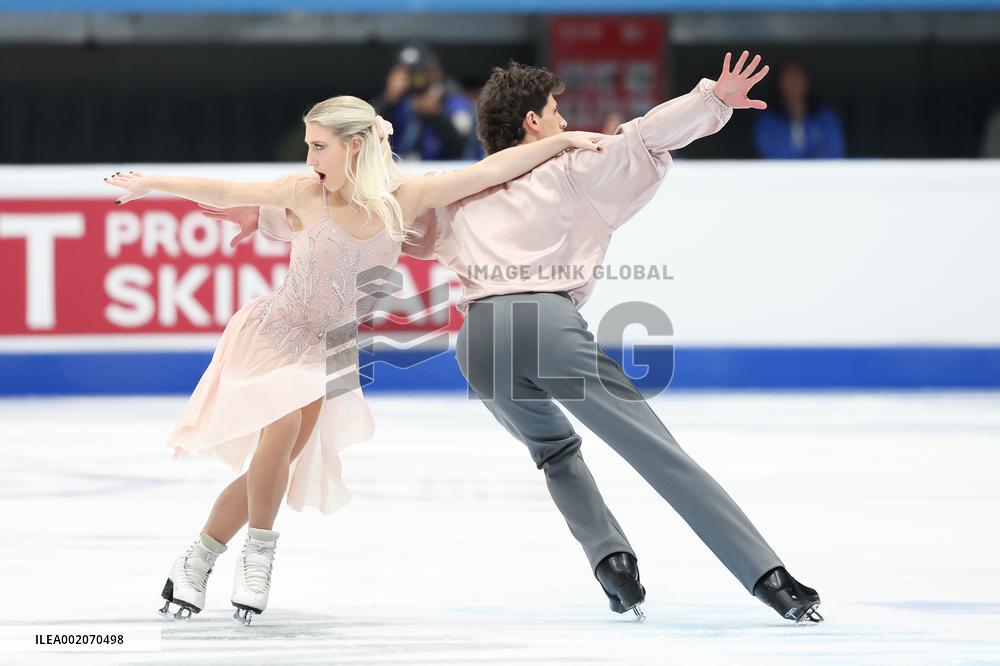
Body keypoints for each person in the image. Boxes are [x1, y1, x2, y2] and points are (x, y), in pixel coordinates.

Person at [223, 51, 823, 623]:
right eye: (558, 113)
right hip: (546, 326)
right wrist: (712, 100)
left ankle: (610, 560)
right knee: (657, 454)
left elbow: (356, 212)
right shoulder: (573, 165)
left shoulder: (454, 189)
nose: (569, 122)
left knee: (554, 450)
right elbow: (646, 136)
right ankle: (767, 575)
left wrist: (270, 218)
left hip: (477, 345)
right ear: (534, 122)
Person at [104, 97, 604, 626]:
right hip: (277, 333)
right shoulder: (303, 194)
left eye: (319, 146)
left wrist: (564, 141)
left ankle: (197, 558)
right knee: (280, 433)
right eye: (307, 145)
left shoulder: (402, 201)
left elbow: (490, 170)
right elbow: (227, 190)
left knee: (270, 467)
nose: (309, 157)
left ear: (356, 146)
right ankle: (258, 556)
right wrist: (152, 183)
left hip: (329, 348)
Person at [372, 44, 483, 161]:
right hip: (400, 169)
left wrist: (436, 115)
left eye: (418, 72)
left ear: (435, 71)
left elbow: (464, 147)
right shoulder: (398, 103)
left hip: (445, 172)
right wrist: (388, 99)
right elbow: (368, 132)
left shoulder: (453, 101)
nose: (414, 79)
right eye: (407, 73)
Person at [753, 59, 845, 159]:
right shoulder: (768, 119)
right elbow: (769, 152)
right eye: (788, 78)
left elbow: (834, 150)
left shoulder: (826, 116)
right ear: (779, 83)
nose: (794, 83)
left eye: (797, 76)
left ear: (807, 82)